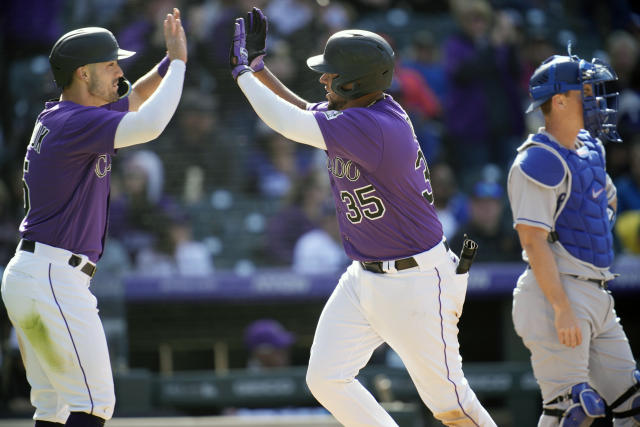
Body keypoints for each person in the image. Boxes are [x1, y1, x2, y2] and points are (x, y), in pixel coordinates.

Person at [229, 8, 496, 426]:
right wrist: (260, 70)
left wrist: (243, 74)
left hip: (417, 283)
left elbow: (289, 122)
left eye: (330, 73)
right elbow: (303, 108)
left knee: (453, 408)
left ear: (355, 82)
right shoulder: (361, 112)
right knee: (326, 379)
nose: (323, 79)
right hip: (365, 277)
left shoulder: (375, 126)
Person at [1, 9, 187, 426]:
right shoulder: (76, 122)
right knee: (94, 404)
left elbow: (131, 100)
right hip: (52, 279)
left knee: (55, 408)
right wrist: (179, 64)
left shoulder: (67, 116)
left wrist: (164, 63)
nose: (119, 69)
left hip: (33, 278)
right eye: (110, 64)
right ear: (83, 74)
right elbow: (151, 123)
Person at [508, 48, 640, 426]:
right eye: (585, 89)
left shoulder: (589, 150)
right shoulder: (537, 160)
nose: (596, 98)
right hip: (556, 293)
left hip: (597, 292)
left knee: (632, 404)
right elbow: (532, 241)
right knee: (573, 411)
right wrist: (561, 306)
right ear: (560, 101)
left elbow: (604, 205)